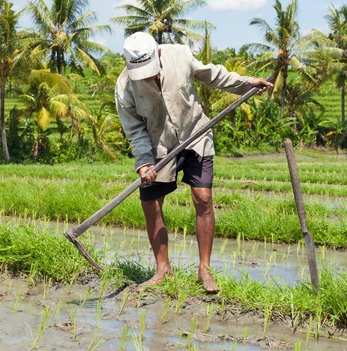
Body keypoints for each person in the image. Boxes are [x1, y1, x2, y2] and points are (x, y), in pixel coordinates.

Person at [115, 32, 272, 293]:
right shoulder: (125, 86)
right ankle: (163, 270)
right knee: (151, 204)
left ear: (159, 54)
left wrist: (246, 84)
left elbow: (214, 75)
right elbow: (134, 129)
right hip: (158, 145)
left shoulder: (180, 54)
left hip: (195, 134)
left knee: (203, 198)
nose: (148, 77)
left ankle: (204, 270)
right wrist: (143, 163)